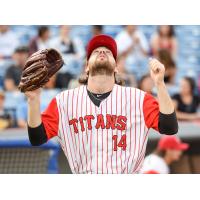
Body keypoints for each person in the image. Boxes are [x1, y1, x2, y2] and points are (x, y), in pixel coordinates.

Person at [25, 34, 178, 174]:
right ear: (86, 66)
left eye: (108, 52)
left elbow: (169, 127)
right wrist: (33, 100)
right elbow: (37, 138)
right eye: (96, 51)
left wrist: (159, 84)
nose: (102, 52)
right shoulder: (63, 102)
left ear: (116, 67)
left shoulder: (139, 99)